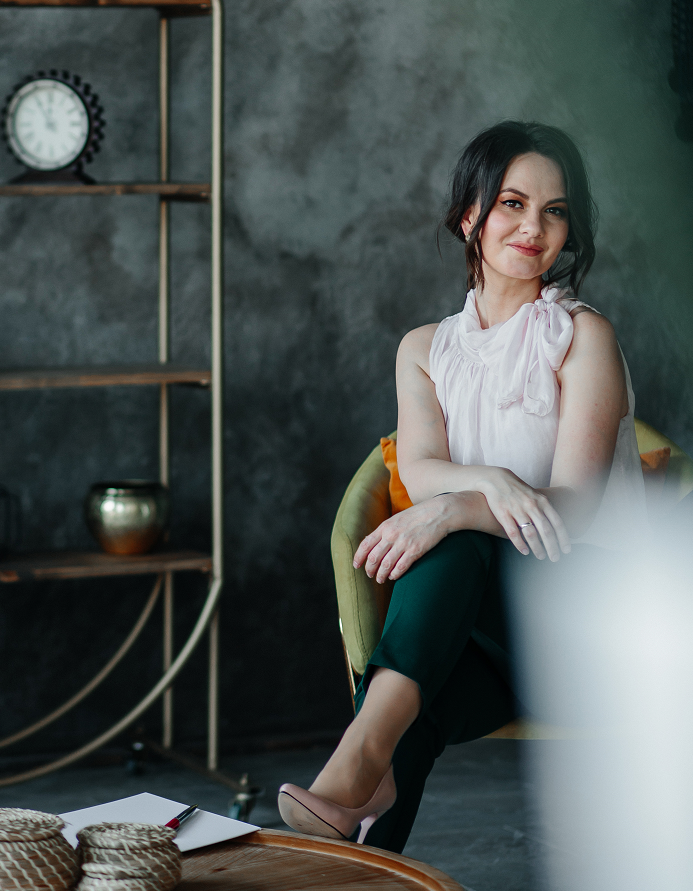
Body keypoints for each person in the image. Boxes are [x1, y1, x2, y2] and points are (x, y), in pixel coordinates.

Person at [277, 120, 647, 853]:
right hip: (491, 643)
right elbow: (420, 467)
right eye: (512, 203)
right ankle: (360, 844)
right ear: (468, 214)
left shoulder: (583, 337)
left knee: (452, 543)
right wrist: (483, 487)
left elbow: (572, 508)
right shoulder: (425, 348)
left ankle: (355, 760)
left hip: (588, 627)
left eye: (555, 210)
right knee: (414, 704)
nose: (534, 227)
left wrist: (456, 507)